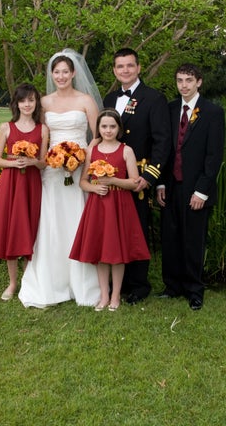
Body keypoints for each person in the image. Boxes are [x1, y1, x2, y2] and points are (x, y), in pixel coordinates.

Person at [18, 49, 102, 308]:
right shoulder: (43, 103)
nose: (62, 76)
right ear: (51, 74)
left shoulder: (86, 100)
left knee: (78, 219)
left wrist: (82, 158)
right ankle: (51, 281)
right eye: (57, 72)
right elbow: (39, 133)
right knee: (52, 220)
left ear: (74, 73)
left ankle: (83, 282)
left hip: (79, 168)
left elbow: (98, 134)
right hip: (52, 171)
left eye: (66, 71)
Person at [102, 48, 170, 305]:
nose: (125, 70)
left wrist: (150, 177)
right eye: (120, 66)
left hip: (138, 177)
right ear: (114, 70)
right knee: (113, 227)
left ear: (139, 67)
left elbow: (162, 143)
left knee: (136, 229)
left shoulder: (153, 98)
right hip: (110, 175)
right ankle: (118, 282)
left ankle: (139, 284)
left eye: (130, 66)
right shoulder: (110, 98)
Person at [156, 63, 225, 311]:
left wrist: (202, 191)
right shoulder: (170, 109)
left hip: (195, 187)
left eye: (188, 80)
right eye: (179, 80)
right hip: (171, 185)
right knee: (170, 237)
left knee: (193, 239)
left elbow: (214, 155)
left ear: (199, 82)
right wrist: (161, 183)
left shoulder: (213, 112)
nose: (183, 85)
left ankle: (194, 290)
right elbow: (164, 149)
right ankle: (172, 286)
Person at [69, 110, 150, 312]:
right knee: (101, 252)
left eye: (112, 126)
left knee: (117, 252)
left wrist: (113, 180)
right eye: (104, 126)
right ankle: (104, 295)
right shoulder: (91, 152)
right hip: (98, 205)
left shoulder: (126, 150)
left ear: (119, 129)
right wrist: (95, 187)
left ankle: (116, 296)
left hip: (119, 205)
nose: (108, 130)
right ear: (98, 129)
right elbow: (82, 182)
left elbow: (134, 182)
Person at [0, 83, 49, 301]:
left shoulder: (43, 129)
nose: (27, 104)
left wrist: (33, 161)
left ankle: (29, 280)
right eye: (22, 100)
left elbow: (44, 163)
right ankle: (12, 283)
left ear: (36, 102)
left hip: (32, 185)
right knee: (11, 229)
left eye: (31, 100)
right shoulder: (6, 128)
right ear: (16, 104)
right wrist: (13, 163)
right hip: (10, 184)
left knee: (31, 228)